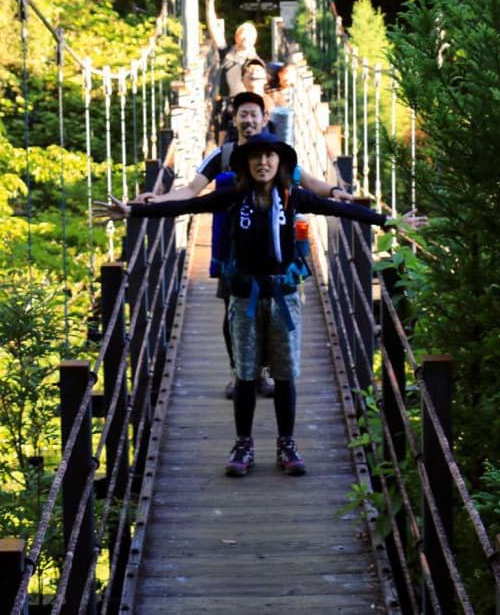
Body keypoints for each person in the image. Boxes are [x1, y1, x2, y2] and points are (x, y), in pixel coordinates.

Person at [98, 132, 427, 478]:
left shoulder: (293, 197)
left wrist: (391, 223)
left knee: (286, 376)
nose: (263, 163)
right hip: (244, 298)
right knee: (245, 374)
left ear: (280, 163)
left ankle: (287, 443)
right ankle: (243, 444)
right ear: (246, 164)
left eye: (270, 157)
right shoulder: (232, 197)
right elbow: (186, 206)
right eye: (256, 157)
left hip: (284, 297)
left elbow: (340, 209)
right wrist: (132, 212)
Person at [135, 91, 360, 399]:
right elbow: (190, 191)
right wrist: (157, 200)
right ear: (235, 118)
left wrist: (336, 191)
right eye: (243, 114)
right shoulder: (224, 155)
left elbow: (309, 183)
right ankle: (241, 373)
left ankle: (264, 373)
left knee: (271, 313)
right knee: (233, 310)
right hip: (230, 246)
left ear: (264, 118)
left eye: (255, 114)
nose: (249, 119)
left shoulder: (273, 153)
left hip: (271, 247)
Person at [205, 0, 258, 99]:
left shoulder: (256, 61)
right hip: (226, 108)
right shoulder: (228, 53)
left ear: (254, 40)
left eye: (249, 35)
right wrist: (210, 3)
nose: (245, 37)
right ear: (236, 37)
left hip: (245, 107)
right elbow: (213, 28)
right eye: (242, 34)